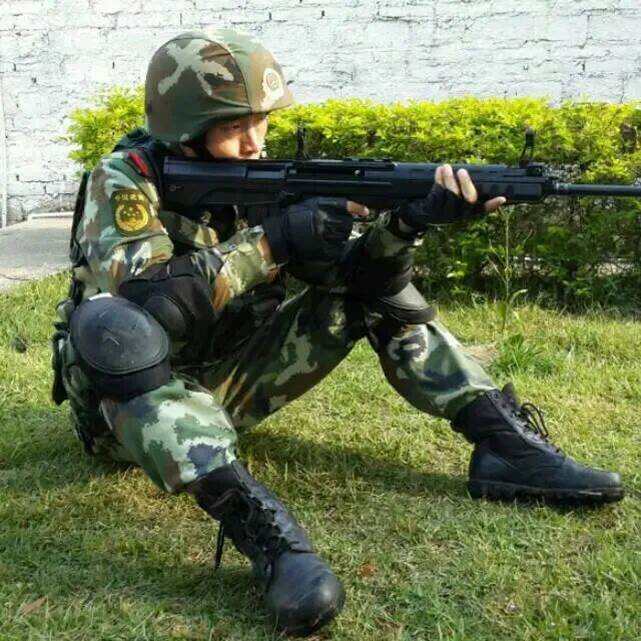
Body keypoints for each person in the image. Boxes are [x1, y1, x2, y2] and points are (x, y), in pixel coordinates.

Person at [51, 29, 623, 637]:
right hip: (129, 411)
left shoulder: (266, 176)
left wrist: (408, 224)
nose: (254, 142)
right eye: (234, 127)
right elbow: (150, 307)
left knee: (362, 296)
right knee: (112, 327)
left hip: (227, 383)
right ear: (183, 127)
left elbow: (361, 283)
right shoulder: (126, 180)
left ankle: (504, 448)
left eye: (261, 122)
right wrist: (271, 242)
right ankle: (269, 540)